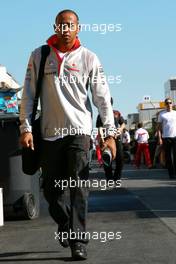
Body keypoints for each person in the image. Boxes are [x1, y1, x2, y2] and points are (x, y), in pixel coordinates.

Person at [19, 9, 116, 260]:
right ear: (55, 27)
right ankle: (64, 223)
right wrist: (26, 128)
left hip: (79, 132)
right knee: (51, 191)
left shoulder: (89, 58)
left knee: (79, 187)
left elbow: (102, 99)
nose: (65, 29)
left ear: (78, 28)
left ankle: (78, 240)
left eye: (70, 25)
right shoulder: (39, 56)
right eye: (61, 25)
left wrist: (110, 133)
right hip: (49, 134)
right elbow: (28, 95)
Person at [96, 98, 125, 180]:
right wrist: (101, 138)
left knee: (120, 158)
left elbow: (123, 123)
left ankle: (117, 176)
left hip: (116, 138)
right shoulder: (101, 114)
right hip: (106, 138)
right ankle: (109, 177)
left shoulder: (116, 113)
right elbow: (100, 127)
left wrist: (120, 129)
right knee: (107, 158)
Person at [157, 98, 176, 179]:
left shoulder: (175, 113)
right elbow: (158, 128)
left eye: (170, 103)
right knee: (168, 156)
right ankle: (171, 174)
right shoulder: (162, 114)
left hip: (175, 137)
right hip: (166, 137)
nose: (169, 104)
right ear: (165, 104)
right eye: (167, 103)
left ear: (172, 104)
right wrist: (160, 138)